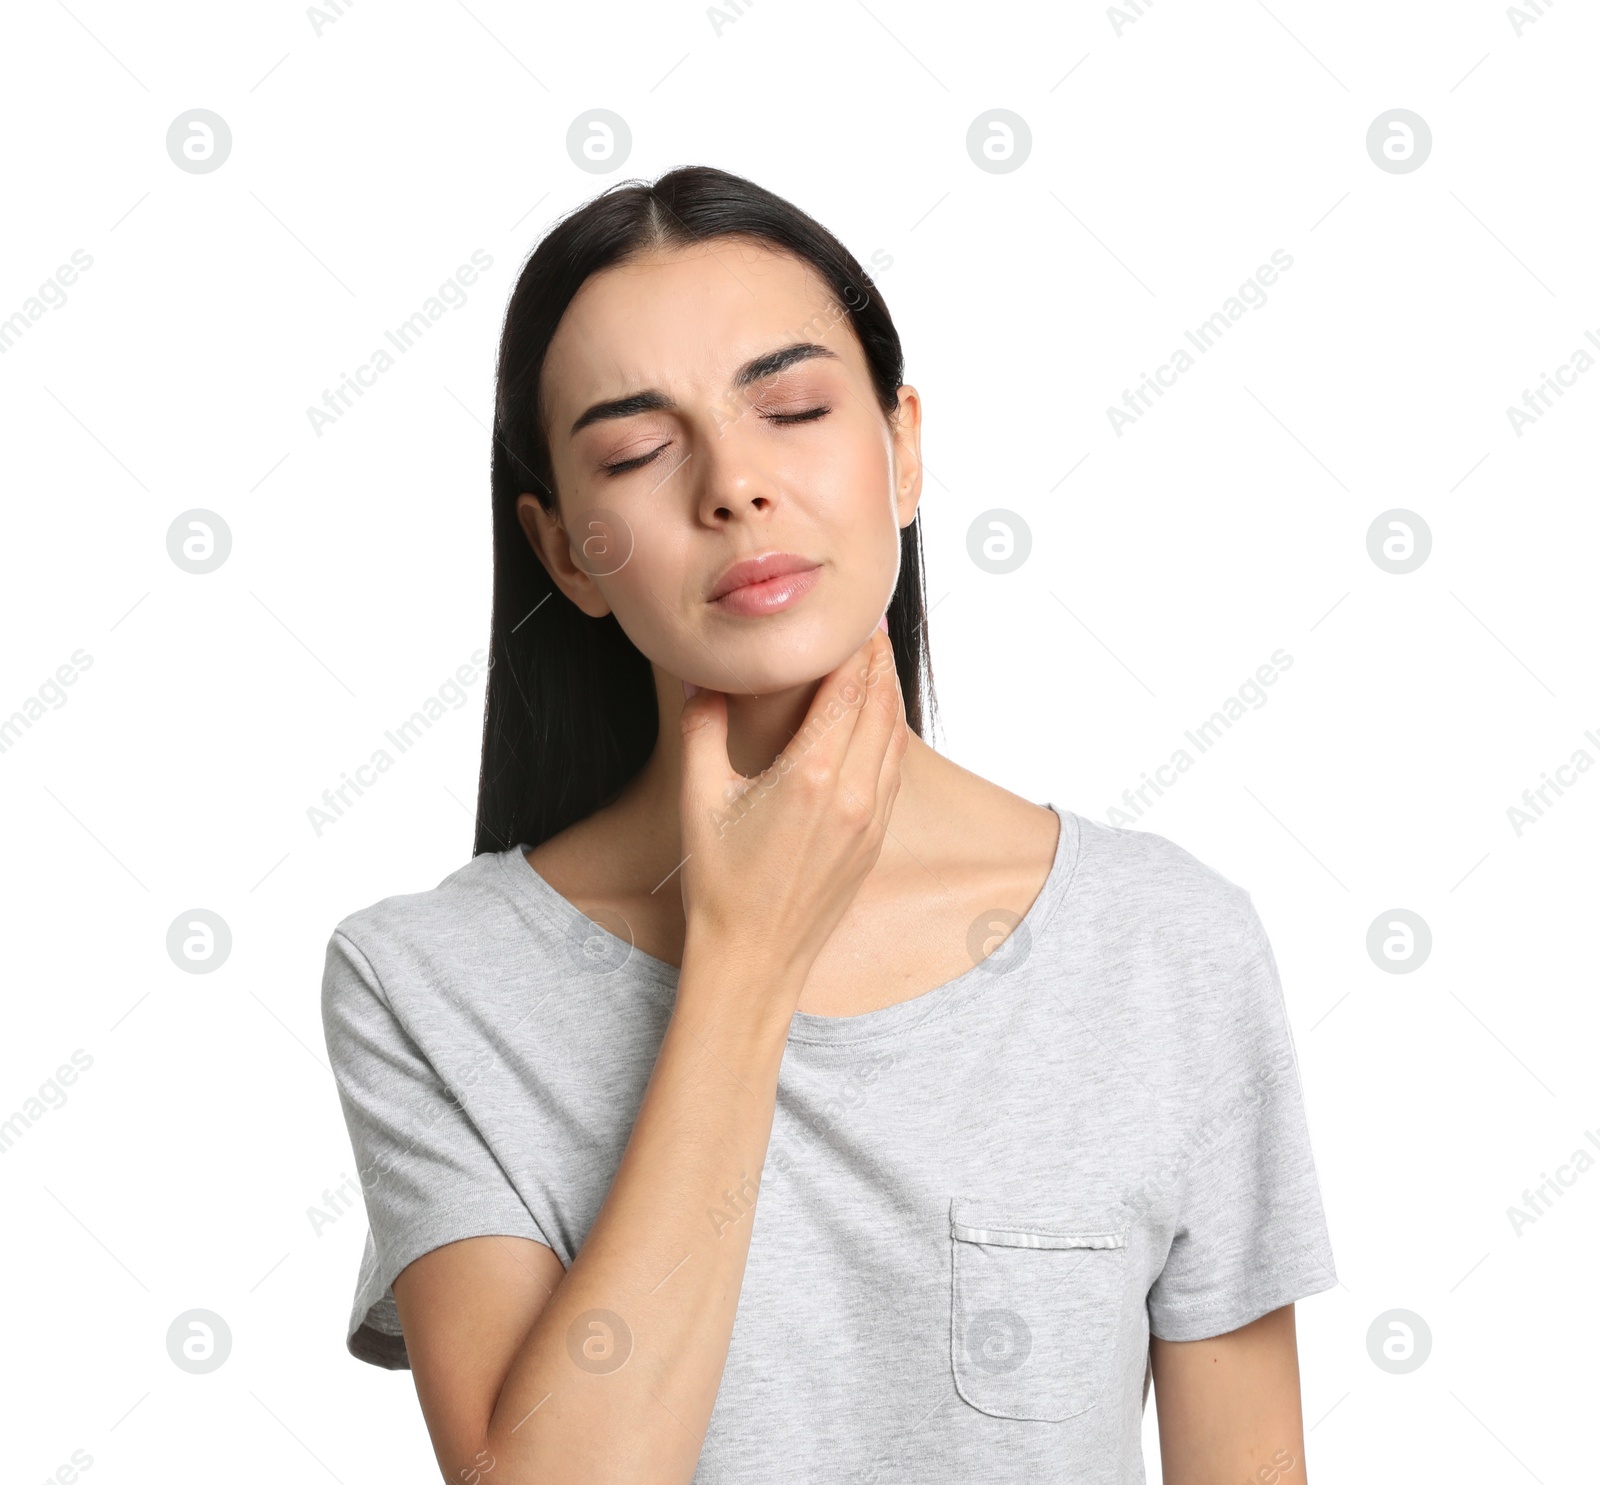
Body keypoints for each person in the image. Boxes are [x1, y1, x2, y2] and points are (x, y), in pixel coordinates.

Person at [320, 164, 1337, 1484]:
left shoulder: (1166, 945)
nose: (735, 484)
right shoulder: (431, 986)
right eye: (636, 451)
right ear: (567, 548)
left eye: (793, 408)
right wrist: (745, 956)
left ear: (903, 448)